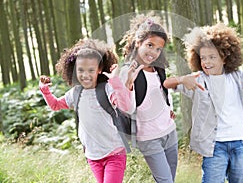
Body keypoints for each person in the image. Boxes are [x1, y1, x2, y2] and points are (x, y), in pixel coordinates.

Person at [163, 23, 243, 183]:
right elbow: (166, 83)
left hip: (237, 144)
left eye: (212, 57)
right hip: (214, 147)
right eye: (203, 57)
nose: (206, 62)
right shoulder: (197, 80)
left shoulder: (239, 77)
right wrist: (182, 79)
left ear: (225, 57)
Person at [39, 39, 134, 183]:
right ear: (74, 69)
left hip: (114, 152)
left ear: (99, 69)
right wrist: (45, 91)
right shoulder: (75, 93)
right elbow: (56, 105)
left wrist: (115, 81)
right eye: (81, 70)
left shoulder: (107, 89)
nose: (85, 75)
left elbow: (125, 106)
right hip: (92, 156)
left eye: (91, 70)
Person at [119, 14, 178, 183]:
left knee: (170, 180)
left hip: (169, 132)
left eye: (158, 49)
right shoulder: (127, 71)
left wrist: (168, 108)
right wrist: (128, 85)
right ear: (138, 42)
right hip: (149, 137)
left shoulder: (158, 69)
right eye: (150, 45)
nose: (153, 52)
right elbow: (127, 109)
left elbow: (162, 92)